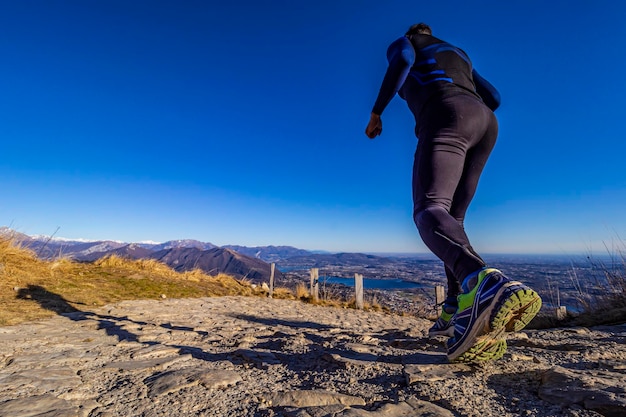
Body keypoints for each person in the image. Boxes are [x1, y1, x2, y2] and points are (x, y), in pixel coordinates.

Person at [365, 23, 541, 362]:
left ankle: (485, 283)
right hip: (486, 124)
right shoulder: (460, 54)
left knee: (427, 210)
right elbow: (495, 98)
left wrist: (377, 111)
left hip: (446, 114)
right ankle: (455, 313)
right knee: (452, 221)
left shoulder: (408, 41)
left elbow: (401, 59)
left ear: (415, 32)